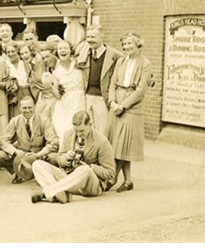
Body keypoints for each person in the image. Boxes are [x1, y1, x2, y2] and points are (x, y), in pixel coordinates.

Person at [31, 110, 115, 204]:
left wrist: (91, 167)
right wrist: (66, 158)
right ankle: (60, 193)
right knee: (37, 164)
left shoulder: (102, 141)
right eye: (76, 130)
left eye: (82, 130)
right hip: (68, 179)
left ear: (90, 124)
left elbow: (110, 173)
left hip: (89, 185)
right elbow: (59, 159)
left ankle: (48, 192)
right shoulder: (68, 134)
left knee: (85, 169)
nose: (79, 134)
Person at [104, 32, 152, 193]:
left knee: (124, 143)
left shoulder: (145, 64)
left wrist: (122, 106)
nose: (126, 47)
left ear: (138, 44)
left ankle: (112, 177)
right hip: (116, 105)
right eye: (124, 44)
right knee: (118, 144)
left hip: (131, 108)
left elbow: (140, 91)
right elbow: (112, 84)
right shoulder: (121, 61)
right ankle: (128, 180)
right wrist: (112, 102)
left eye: (129, 43)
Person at [0, 96, 59, 184]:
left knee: (55, 158)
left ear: (34, 106)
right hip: (21, 155)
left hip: (39, 155)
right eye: (24, 108)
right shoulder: (15, 121)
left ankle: (41, 174)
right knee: (0, 156)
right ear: (19, 109)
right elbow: (3, 141)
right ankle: (20, 173)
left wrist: (38, 154)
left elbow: (54, 142)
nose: (27, 110)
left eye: (30, 107)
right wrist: (15, 151)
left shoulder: (44, 121)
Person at [75, 24, 122, 137]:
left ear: (102, 37)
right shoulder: (85, 53)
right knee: (89, 128)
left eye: (93, 37)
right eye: (88, 37)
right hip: (88, 96)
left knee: (102, 130)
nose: (90, 40)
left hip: (102, 97)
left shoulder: (114, 55)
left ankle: (103, 153)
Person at [50, 40, 86, 146]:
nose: (63, 50)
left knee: (80, 130)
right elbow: (57, 95)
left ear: (71, 50)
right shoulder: (56, 72)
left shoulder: (79, 65)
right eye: (60, 48)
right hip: (64, 105)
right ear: (56, 52)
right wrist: (51, 86)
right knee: (64, 130)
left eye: (65, 48)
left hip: (79, 102)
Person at [31, 42, 59, 127]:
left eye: (48, 56)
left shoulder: (60, 66)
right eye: (43, 58)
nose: (46, 60)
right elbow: (35, 81)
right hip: (45, 98)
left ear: (54, 54)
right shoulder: (43, 66)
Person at [5, 41, 33, 119]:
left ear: (17, 51)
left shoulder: (25, 62)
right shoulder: (6, 64)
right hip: (14, 95)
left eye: (13, 51)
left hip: (26, 92)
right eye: (8, 52)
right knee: (15, 116)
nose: (10, 54)